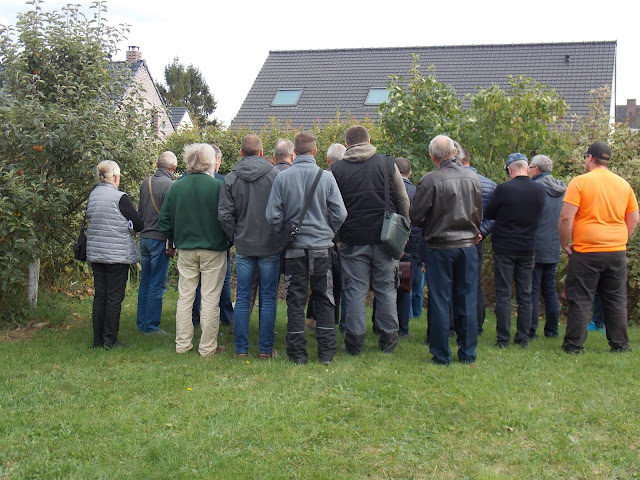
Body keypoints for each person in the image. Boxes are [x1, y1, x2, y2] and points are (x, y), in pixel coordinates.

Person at [266, 131, 347, 364]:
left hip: (294, 249)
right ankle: (327, 354)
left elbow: (272, 216)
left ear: (294, 153)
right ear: (315, 150)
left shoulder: (282, 178)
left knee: (295, 301)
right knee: (325, 299)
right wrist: (328, 231)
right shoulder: (327, 177)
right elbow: (340, 213)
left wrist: (286, 230)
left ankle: (298, 355)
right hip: (322, 248)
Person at [331, 125, 410, 355]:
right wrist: (402, 235)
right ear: (369, 140)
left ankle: (354, 344)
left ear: (347, 144)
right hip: (385, 238)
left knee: (354, 291)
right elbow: (403, 201)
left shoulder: (336, 170)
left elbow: (332, 209)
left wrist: (337, 239)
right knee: (386, 289)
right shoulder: (387, 164)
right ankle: (388, 341)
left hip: (351, 241)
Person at [559, 141, 639, 353]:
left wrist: (564, 243)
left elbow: (566, 218)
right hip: (616, 251)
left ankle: (574, 345)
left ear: (590, 158)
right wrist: (621, 239)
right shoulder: (623, 184)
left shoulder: (580, 182)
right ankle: (620, 345)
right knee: (615, 298)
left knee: (582, 297)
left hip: (586, 250)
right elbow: (634, 218)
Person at [410, 135, 483, 364]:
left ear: (433, 157)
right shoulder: (473, 178)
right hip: (467, 246)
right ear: (454, 152)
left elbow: (416, 216)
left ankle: (441, 354)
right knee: (466, 298)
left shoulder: (431, 180)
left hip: (440, 246)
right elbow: (478, 213)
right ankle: (468, 352)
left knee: (440, 299)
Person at [158, 143, 229, 357]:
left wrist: (174, 239)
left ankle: (182, 344)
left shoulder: (177, 187)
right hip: (214, 250)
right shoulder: (218, 186)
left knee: (185, 298)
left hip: (186, 250)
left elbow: (164, 222)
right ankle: (207, 348)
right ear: (210, 162)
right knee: (210, 299)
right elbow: (227, 218)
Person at [218, 134, 281, 360]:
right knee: (268, 297)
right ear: (262, 152)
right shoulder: (276, 175)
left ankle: (241, 349)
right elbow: (282, 211)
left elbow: (224, 214)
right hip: (269, 245)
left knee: (243, 297)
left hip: (244, 244)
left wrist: (235, 235)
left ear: (241, 153)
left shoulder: (231, 178)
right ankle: (265, 349)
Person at [485, 153, 546, 348]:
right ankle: (523, 337)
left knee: (504, 293)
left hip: (505, 246)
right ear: (527, 168)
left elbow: (490, 213)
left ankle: (503, 339)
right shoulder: (539, 190)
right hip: (528, 246)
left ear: (510, 169)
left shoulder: (504, 189)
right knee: (525, 294)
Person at [86, 160, 144, 349]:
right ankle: (110, 340)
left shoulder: (92, 195)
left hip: (96, 252)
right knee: (114, 297)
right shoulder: (120, 198)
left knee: (100, 296)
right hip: (117, 254)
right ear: (116, 177)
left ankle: (97, 340)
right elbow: (139, 224)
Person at [191, 145, 234, 331]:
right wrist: (230, 239)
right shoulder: (220, 183)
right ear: (214, 160)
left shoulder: (183, 181)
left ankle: (193, 319)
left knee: (192, 286)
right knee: (219, 283)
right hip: (215, 242)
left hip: (190, 241)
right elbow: (227, 214)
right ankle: (224, 317)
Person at [136, 151, 177, 336]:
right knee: (157, 284)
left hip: (144, 238)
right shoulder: (170, 185)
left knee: (145, 281)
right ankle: (151, 326)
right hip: (159, 240)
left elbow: (140, 210)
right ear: (173, 168)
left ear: (157, 164)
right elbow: (171, 217)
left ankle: (141, 322)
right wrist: (173, 243)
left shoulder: (147, 182)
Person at [457, 142, 496, 336]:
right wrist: (482, 232)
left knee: (453, 282)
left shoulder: (454, 180)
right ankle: (477, 324)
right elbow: (495, 215)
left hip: (456, 238)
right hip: (476, 239)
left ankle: (452, 326)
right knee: (475, 282)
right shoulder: (489, 183)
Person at [527, 154, 567, 339]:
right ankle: (552, 330)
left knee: (533, 290)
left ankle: (531, 330)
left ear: (536, 169)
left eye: (529, 167)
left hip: (535, 245)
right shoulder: (563, 189)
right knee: (550, 290)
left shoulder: (534, 189)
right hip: (553, 245)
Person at [394, 157, 424, 337]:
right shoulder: (416, 192)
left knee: (384, 285)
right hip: (409, 248)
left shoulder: (387, 190)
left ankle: (378, 324)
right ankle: (403, 328)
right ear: (410, 173)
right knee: (404, 287)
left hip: (388, 246)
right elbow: (418, 223)